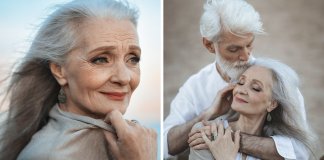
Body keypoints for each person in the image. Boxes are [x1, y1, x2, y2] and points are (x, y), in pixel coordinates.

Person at [0, 0, 157, 159]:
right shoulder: (48, 155)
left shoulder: (131, 139)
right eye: (101, 59)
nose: (124, 77)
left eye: (133, 59)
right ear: (60, 71)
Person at [163, 0, 307, 159]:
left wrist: (226, 138)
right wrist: (207, 115)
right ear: (209, 45)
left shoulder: (278, 82)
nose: (246, 56)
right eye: (234, 49)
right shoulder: (195, 88)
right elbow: (165, 146)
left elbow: (301, 151)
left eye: (249, 45)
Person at [188, 58, 317, 160]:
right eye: (241, 82)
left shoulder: (282, 150)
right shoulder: (205, 131)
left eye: (255, 88)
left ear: (272, 104)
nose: (241, 90)